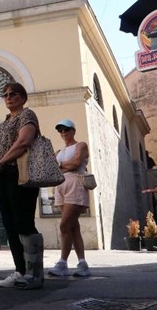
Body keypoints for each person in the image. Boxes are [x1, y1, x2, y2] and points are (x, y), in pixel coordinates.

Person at [0, 82, 44, 289]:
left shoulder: (27, 116)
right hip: (3, 175)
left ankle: (35, 273)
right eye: (5, 95)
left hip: (21, 174)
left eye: (13, 94)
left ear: (22, 97)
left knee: (24, 222)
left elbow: (23, 142)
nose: (8, 97)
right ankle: (20, 271)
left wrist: (1, 161)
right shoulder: (5, 122)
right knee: (10, 225)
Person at [48, 119, 91, 277]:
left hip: (74, 182)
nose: (63, 133)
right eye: (61, 130)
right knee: (73, 227)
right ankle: (82, 263)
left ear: (73, 130)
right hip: (60, 186)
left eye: (66, 129)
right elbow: (50, 168)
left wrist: (60, 166)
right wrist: (64, 165)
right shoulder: (59, 152)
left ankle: (62, 262)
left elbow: (76, 163)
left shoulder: (81, 145)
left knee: (65, 225)